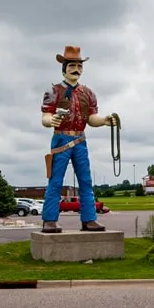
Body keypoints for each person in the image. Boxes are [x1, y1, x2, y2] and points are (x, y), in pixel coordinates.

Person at [39, 45, 118, 233]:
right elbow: (45, 117)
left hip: (80, 140)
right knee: (56, 180)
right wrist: (52, 120)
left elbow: (91, 119)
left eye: (79, 66)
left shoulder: (88, 93)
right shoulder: (54, 91)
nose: (77, 70)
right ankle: (49, 219)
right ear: (64, 67)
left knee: (85, 180)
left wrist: (105, 121)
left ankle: (89, 219)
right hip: (61, 139)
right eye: (72, 65)